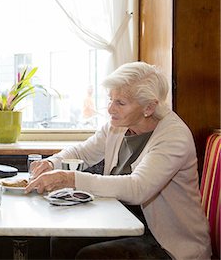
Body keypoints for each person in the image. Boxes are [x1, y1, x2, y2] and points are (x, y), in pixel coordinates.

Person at [26, 61, 212, 259]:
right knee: (61, 240)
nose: (110, 109)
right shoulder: (118, 125)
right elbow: (82, 152)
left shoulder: (174, 136)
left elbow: (138, 188)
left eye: (120, 103)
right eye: (110, 99)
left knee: (93, 256)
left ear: (149, 107)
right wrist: (52, 163)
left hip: (167, 242)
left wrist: (70, 178)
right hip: (122, 222)